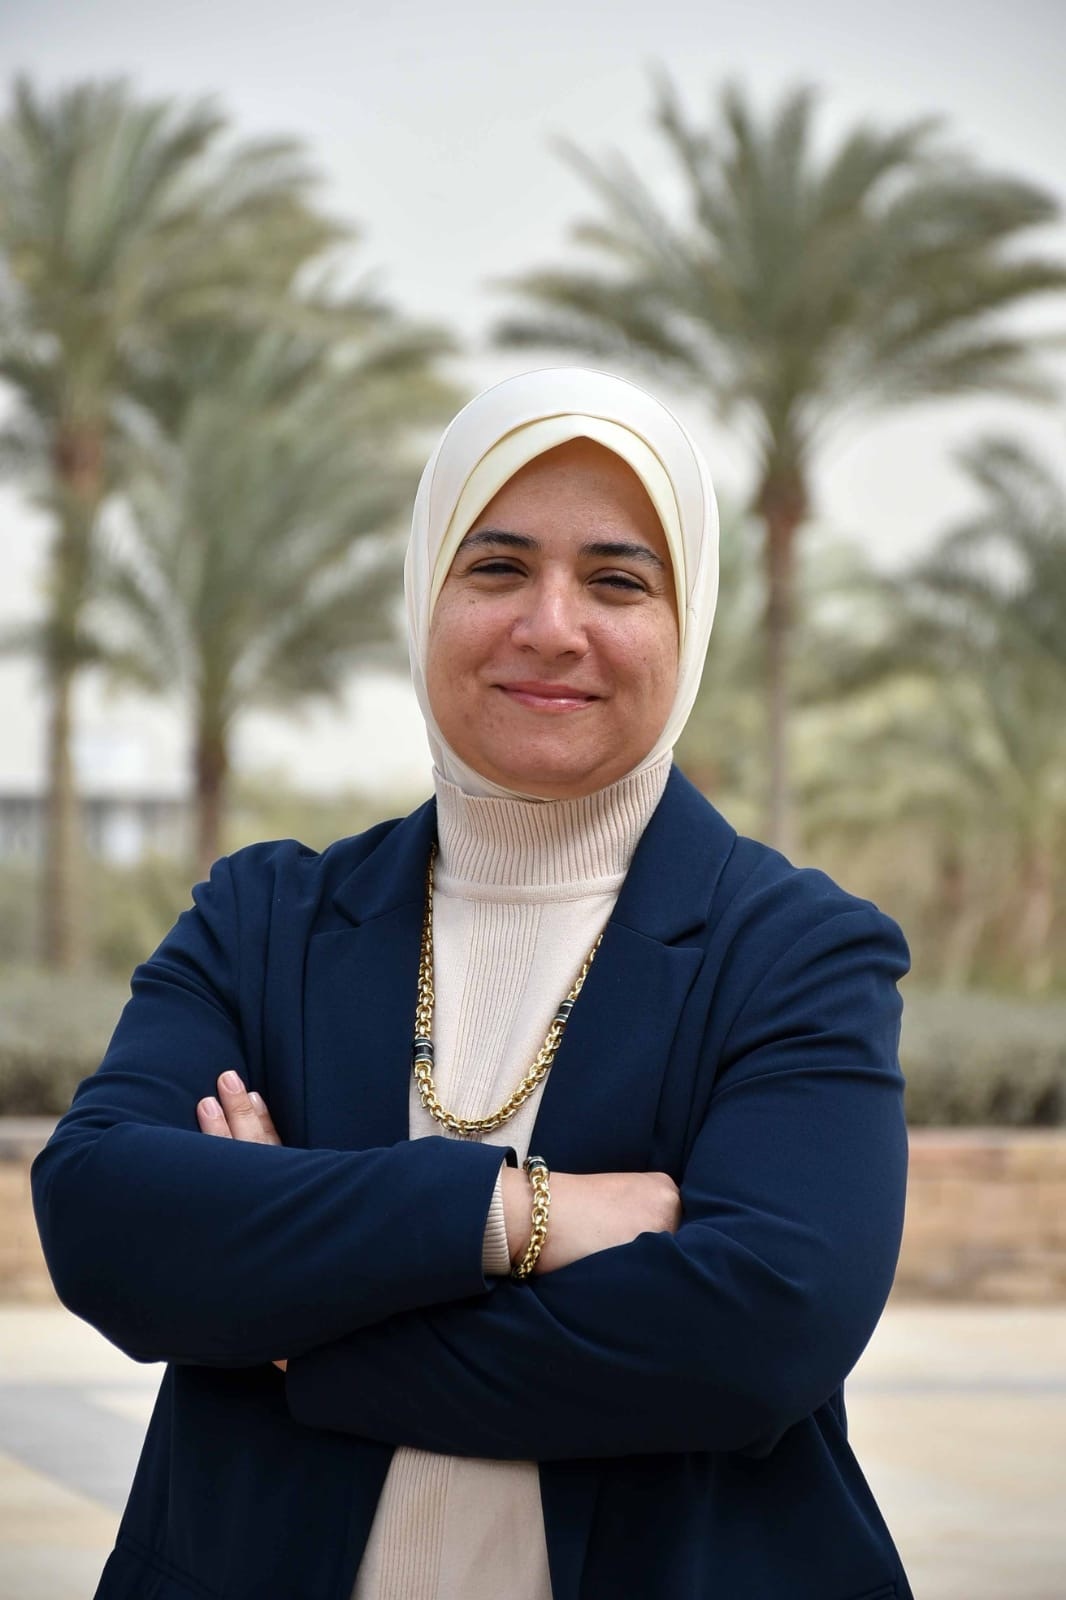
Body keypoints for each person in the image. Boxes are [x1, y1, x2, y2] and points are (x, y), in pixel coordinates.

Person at [32, 367, 914, 1600]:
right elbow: (105, 1218)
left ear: (689, 616)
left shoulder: (793, 950)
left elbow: (756, 1331)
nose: (551, 626)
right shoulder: (265, 917)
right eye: (495, 568)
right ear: (426, 590)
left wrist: (299, 1328)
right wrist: (518, 1217)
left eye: (616, 579)